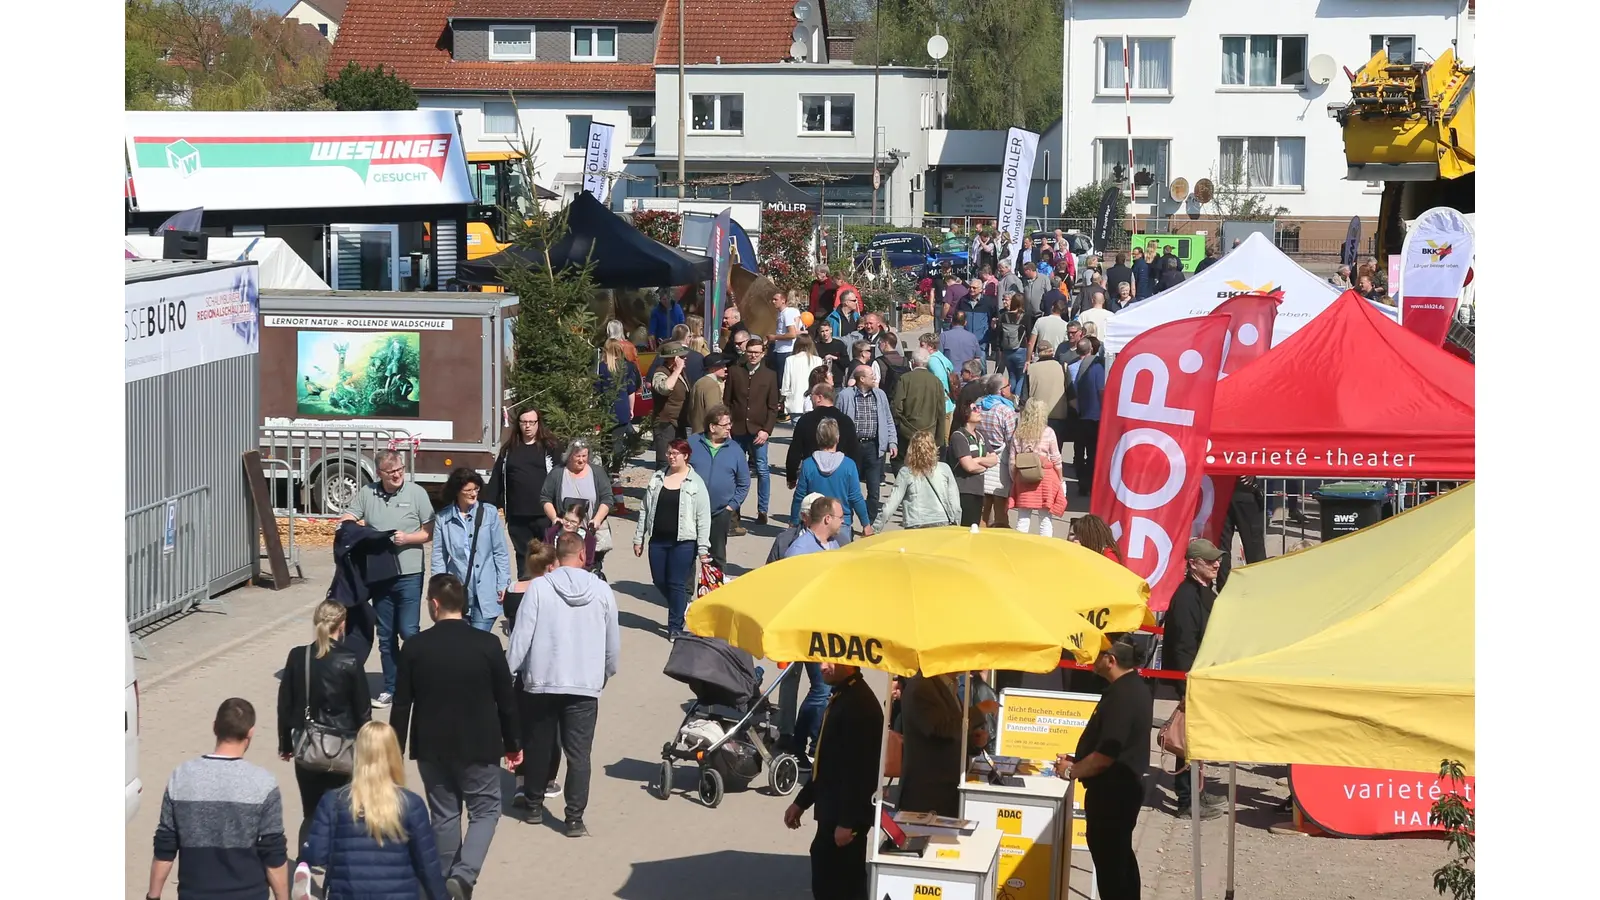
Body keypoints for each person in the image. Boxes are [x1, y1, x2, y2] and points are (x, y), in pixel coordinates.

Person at [390, 574, 519, 897]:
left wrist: (393, 751)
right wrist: (514, 745)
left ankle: (442, 886)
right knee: (486, 811)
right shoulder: (488, 645)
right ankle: (463, 876)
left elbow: (402, 704)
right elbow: (507, 702)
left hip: (431, 748)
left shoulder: (415, 647)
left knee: (444, 816)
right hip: (480, 746)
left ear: (434, 605)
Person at [506, 532, 621, 836]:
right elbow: (613, 642)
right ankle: (574, 819)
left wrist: (509, 671)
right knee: (579, 754)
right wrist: (606, 673)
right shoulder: (602, 590)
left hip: (542, 682)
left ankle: (533, 806)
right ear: (584, 556)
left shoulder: (539, 588)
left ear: (557, 557)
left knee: (538, 745)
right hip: (584, 685)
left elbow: (521, 636)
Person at [148, 698, 290, 900]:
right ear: (251, 732)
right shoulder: (264, 783)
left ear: (215, 727)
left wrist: (153, 895)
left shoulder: (181, 777)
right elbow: (273, 854)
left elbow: (165, 847)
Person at [301, 721, 448, 900]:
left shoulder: (334, 801)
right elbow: (428, 865)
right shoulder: (411, 804)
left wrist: (305, 858)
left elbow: (317, 854)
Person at [1055, 641, 1154, 900]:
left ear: (1110, 660)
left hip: (1113, 793)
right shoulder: (1127, 688)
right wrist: (1078, 758)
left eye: (1097, 656)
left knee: (1112, 866)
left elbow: (1105, 757)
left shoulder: (1124, 696)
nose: (1091, 660)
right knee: (1119, 860)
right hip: (1119, 789)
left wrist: (1071, 770)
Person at [339, 450, 434, 710]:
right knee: (386, 634)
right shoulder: (368, 493)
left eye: (400, 470)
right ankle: (392, 688)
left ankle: (414, 684)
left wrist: (408, 539)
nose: (397, 475)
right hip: (379, 575)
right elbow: (347, 517)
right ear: (379, 473)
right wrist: (357, 530)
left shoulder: (417, 494)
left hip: (409, 573)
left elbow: (428, 532)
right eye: (391, 472)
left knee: (409, 631)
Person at [782, 661, 883, 900]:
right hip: (832, 812)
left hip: (845, 818)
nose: (822, 667)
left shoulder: (859, 704)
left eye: (830, 662)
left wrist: (848, 822)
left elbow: (861, 771)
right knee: (829, 882)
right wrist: (801, 802)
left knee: (842, 887)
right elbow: (826, 763)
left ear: (849, 663)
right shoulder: (843, 695)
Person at [277, 601, 371, 853]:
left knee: (311, 812)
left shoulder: (298, 656)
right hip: (342, 749)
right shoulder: (350, 659)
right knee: (343, 812)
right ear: (342, 625)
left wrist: (285, 744)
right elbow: (363, 711)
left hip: (307, 746)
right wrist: (367, 751)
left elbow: (284, 704)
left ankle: (305, 864)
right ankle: (336, 868)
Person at [1163, 539, 1227, 817]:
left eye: (1217, 559)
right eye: (1209, 560)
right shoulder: (1187, 597)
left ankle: (1196, 792)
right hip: (1192, 678)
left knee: (1196, 738)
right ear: (1193, 564)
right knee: (1187, 739)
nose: (1216, 564)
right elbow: (1183, 645)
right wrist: (1185, 686)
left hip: (1202, 676)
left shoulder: (1202, 592)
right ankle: (1187, 801)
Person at [634, 438, 713, 639]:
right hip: (658, 540)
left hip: (684, 542)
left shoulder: (695, 483)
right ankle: (683, 606)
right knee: (659, 580)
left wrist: (703, 549)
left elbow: (703, 518)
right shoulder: (657, 478)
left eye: (675, 453)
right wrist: (639, 537)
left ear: (686, 456)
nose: (671, 457)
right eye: (669, 453)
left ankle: (675, 627)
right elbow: (645, 508)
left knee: (676, 583)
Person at [431, 468, 512, 633]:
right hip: (458, 592)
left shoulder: (489, 513)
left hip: (487, 591)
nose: (473, 494)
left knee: (478, 639)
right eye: (468, 490)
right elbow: (439, 556)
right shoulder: (443, 518)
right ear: (457, 491)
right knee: (459, 642)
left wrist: (503, 583)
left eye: (476, 489)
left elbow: (500, 552)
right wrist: (438, 588)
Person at [895, 672, 982, 817]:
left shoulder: (949, 685)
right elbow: (938, 728)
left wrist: (973, 740)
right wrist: (979, 711)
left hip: (947, 790)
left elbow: (952, 730)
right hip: (927, 793)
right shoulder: (921, 688)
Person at [724, 335, 781, 528]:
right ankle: (734, 511)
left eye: (757, 353)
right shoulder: (734, 372)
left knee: (762, 470)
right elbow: (727, 402)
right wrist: (728, 426)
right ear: (745, 352)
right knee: (736, 472)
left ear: (763, 354)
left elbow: (773, 407)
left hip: (759, 431)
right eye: (750, 352)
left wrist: (766, 430)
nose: (753, 356)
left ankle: (762, 510)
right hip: (738, 429)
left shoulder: (770, 375)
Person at [539, 438, 614, 576]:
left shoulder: (597, 472)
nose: (581, 460)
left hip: (590, 531)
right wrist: (555, 518)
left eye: (584, 456)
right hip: (565, 531)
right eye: (577, 456)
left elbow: (607, 498)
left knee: (589, 567)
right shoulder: (558, 473)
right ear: (569, 456)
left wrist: (597, 519)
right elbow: (545, 498)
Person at [688, 405, 749, 570]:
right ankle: (685, 594)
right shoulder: (692, 443)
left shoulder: (735, 450)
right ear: (712, 427)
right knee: (688, 554)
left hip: (720, 512)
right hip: (691, 510)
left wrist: (731, 506)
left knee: (717, 555)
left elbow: (744, 482)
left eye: (730, 423)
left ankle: (715, 590)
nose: (729, 427)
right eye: (725, 424)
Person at [792, 419, 872, 544]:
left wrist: (794, 521)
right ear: (837, 438)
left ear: (818, 438)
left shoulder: (808, 464)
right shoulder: (848, 465)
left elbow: (799, 496)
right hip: (841, 523)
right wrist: (866, 524)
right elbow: (856, 497)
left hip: (816, 523)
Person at [835, 364, 897, 524]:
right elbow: (837, 422)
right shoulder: (845, 395)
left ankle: (869, 524)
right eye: (871, 375)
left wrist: (892, 442)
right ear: (861, 379)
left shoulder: (880, 395)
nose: (875, 378)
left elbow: (888, 419)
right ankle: (846, 523)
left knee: (874, 490)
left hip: (874, 447)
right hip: (852, 447)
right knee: (850, 488)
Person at [872, 430, 960, 532]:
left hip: (915, 524)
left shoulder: (906, 472)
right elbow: (955, 505)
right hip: (942, 522)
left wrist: (875, 528)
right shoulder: (944, 469)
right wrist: (956, 525)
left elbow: (891, 505)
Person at [1009, 398, 1066, 536]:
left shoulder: (1018, 433)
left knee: (1022, 519)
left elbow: (1012, 461)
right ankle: (1044, 550)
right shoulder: (1048, 432)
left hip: (1024, 478)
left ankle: (1020, 548)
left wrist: (1015, 478)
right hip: (1046, 479)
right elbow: (1056, 459)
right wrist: (1060, 480)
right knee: (1045, 520)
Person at [787, 384, 859, 488]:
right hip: (840, 476)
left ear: (819, 397)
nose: (810, 399)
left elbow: (795, 450)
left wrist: (791, 476)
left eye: (812, 395)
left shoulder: (805, 420)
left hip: (812, 473)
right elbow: (854, 451)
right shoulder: (846, 421)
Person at [946, 398, 999, 527]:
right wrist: (984, 465)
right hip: (963, 491)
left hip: (978, 490)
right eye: (974, 409)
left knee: (974, 528)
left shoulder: (980, 436)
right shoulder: (959, 436)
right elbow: (969, 466)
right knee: (964, 529)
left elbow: (994, 459)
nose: (978, 411)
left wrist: (979, 460)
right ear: (965, 413)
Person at [891, 349, 951, 463]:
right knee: (926, 462)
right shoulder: (936, 381)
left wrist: (899, 425)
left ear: (913, 361)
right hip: (930, 432)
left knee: (905, 463)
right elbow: (941, 411)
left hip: (907, 431)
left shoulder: (905, 379)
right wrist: (939, 439)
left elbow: (897, 406)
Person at [595, 338, 642, 479]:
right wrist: (631, 409)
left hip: (606, 408)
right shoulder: (627, 366)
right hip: (622, 407)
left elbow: (596, 390)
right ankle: (615, 471)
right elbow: (631, 390)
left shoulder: (602, 367)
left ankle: (605, 469)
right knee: (618, 442)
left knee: (604, 442)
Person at [974, 375, 1017, 528]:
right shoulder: (1006, 411)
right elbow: (1012, 440)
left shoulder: (978, 405)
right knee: (1000, 510)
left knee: (983, 510)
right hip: (1001, 463)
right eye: (1007, 386)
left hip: (981, 458)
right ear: (1001, 391)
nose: (1010, 388)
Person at [649, 341, 692, 469]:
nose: (685, 359)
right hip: (665, 424)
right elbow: (665, 388)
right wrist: (678, 369)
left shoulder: (680, 374)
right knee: (665, 461)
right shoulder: (661, 372)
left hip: (678, 423)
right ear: (673, 359)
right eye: (682, 357)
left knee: (679, 460)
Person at [1072, 339, 1107, 497]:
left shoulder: (1074, 367)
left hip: (1080, 415)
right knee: (1092, 452)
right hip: (1095, 416)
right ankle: (1090, 482)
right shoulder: (1097, 367)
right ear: (1091, 349)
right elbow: (1101, 391)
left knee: (1079, 451)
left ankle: (1082, 483)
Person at [1021, 341, 1071, 450]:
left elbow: (1024, 397)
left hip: (1037, 415)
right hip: (1058, 414)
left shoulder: (1031, 369)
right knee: (1056, 448)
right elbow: (1070, 391)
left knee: (1038, 447)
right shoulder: (1062, 367)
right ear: (1052, 352)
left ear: (1038, 353)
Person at [769, 491, 827, 563]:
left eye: (825, 515)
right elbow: (770, 570)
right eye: (815, 515)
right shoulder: (784, 540)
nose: (822, 519)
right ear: (804, 516)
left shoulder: (837, 541)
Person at [544, 500, 598, 572]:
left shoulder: (589, 539)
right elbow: (544, 556)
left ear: (579, 524)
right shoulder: (551, 533)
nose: (568, 524)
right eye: (566, 519)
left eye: (573, 522)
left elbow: (588, 564)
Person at [781, 333, 825, 418]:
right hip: (812, 403)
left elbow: (786, 382)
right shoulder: (818, 360)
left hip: (795, 403)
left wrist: (783, 396)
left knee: (797, 429)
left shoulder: (790, 360)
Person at [688, 352, 732, 435]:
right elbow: (714, 412)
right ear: (712, 368)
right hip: (709, 434)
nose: (725, 368)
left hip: (697, 431)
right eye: (721, 366)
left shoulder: (699, 382)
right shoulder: (712, 385)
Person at [996, 292, 1029, 397]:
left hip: (1007, 350)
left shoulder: (1003, 316)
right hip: (1021, 349)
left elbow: (999, 334)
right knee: (1021, 376)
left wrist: (999, 349)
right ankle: (1017, 398)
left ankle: (1010, 396)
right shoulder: (1026, 317)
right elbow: (1029, 334)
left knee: (1012, 375)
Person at [919, 332, 958, 417]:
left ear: (931, 347)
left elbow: (940, 381)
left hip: (943, 405)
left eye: (922, 345)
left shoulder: (932, 361)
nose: (919, 348)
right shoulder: (941, 356)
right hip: (948, 404)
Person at [769, 291, 804, 381]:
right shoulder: (780, 313)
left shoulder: (787, 313)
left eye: (776, 299)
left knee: (783, 379)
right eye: (772, 299)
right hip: (780, 350)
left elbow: (792, 334)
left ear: (783, 300)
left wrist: (775, 337)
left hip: (786, 351)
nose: (773, 302)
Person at [940, 309, 983, 375]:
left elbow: (939, 357)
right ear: (965, 322)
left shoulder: (944, 336)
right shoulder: (972, 337)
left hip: (950, 376)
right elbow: (977, 358)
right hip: (967, 376)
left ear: (951, 321)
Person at [814, 321, 849, 386]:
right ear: (819, 332)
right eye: (822, 331)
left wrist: (834, 358)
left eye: (826, 330)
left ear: (831, 330)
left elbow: (846, 362)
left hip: (837, 381)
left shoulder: (839, 344)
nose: (825, 333)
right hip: (821, 381)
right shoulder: (816, 346)